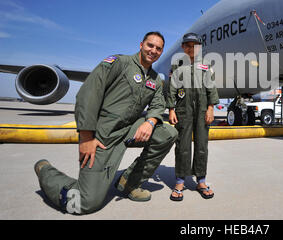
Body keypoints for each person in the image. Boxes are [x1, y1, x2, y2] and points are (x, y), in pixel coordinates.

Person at [33, 31, 178, 215]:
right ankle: (46, 171)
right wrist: (86, 137)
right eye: (150, 45)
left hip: (129, 129)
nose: (153, 50)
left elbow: (158, 105)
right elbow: (88, 94)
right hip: (102, 135)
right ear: (141, 45)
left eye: (158, 48)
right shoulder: (119, 63)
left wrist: (149, 122)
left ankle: (129, 182)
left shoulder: (156, 79)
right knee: (84, 203)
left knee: (168, 133)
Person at [167, 32, 219, 201]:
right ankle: (180, 181)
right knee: (182, 145)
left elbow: (211, 88)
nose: (191, 48)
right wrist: (171, 109)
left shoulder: (206, 65)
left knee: (202, 144)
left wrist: (211, 108)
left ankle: (201, 180)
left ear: (199, 47)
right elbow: (172, 88)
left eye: (194, 45)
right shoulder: (177, 65)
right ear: (183, 47)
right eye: (188, 45)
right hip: (183, 109)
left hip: (203, 110)